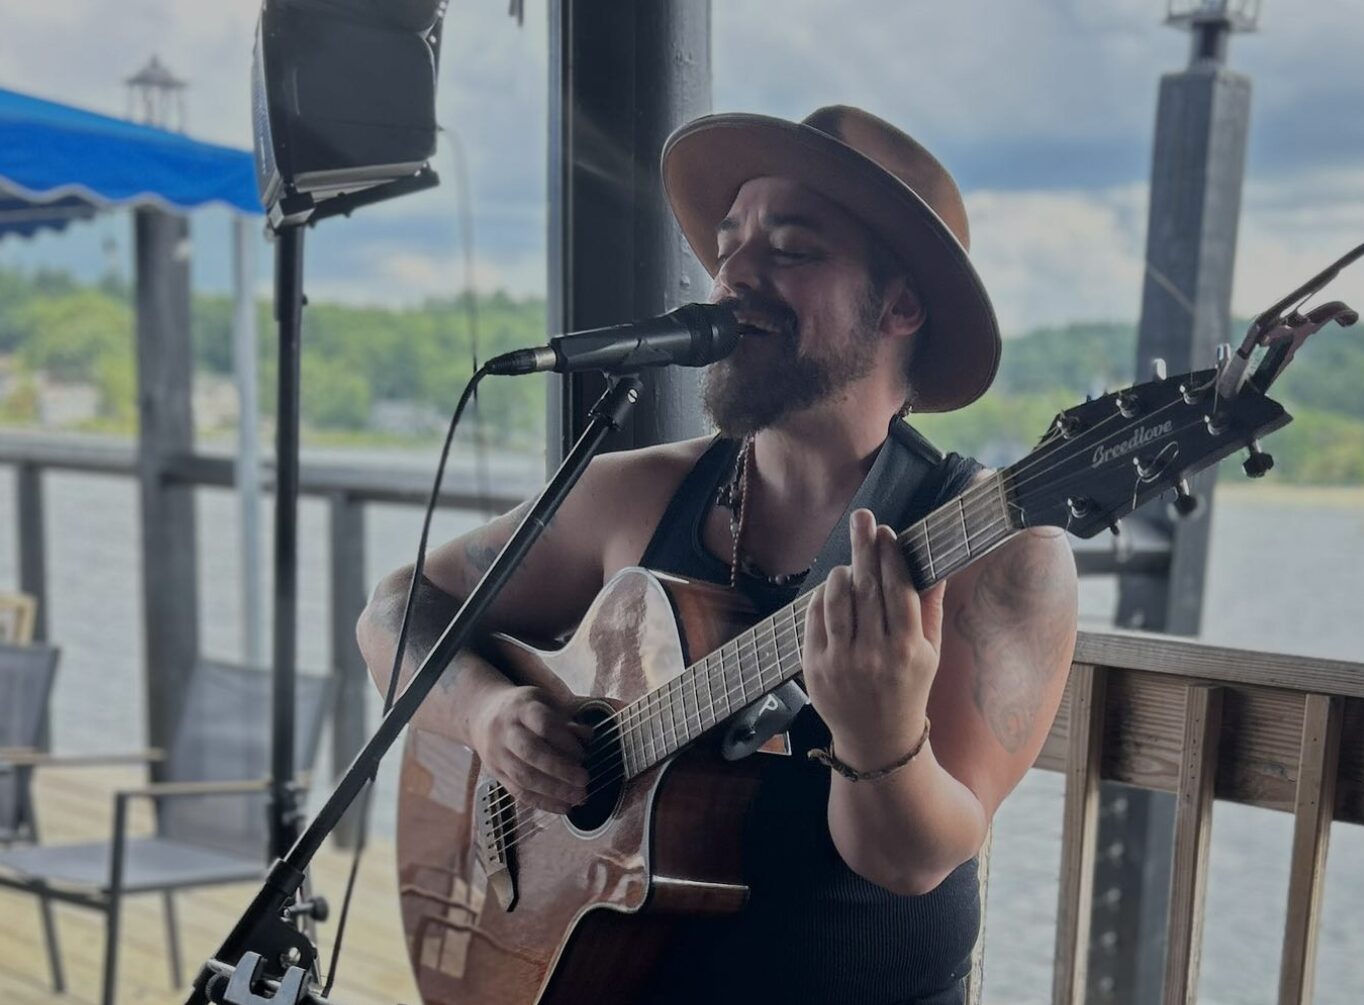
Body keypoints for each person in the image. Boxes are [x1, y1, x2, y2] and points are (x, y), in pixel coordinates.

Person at [357, 105, 1079, 1005]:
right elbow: (393, 609)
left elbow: (909, 862)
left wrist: (881, 732)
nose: (732, 275)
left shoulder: (1002, 551)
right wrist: (488, 712)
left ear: (900, 305)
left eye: (791, 248)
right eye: (730, 242)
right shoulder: (632, 496)